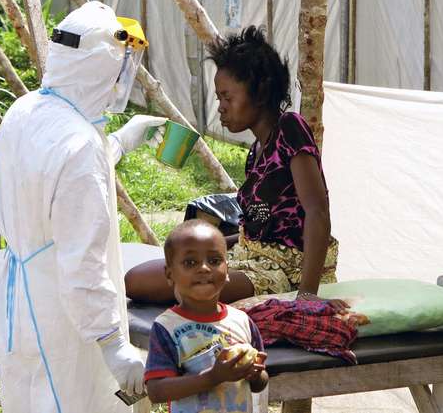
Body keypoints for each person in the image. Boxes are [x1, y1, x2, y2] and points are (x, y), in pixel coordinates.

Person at [0, 1, 167, 412]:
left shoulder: (26, 109)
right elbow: (82, 264)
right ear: (101, 69)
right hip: (65, 317)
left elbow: (45, 177)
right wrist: (113, 346)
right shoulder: (81, 148)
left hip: (20, 296)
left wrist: (119, 141)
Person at [126, 26, 347, 310]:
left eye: (228, 97)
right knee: (137, 279)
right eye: (219, 98)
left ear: (260, 91)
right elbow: (255, 231)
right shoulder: (256, 151)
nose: (221, 107)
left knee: (189, 289)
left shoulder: (290, 129)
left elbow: (317, 211)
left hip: (286, 272)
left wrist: (306, 295)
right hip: (248, 256)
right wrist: (203, 247)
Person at [144, 220, 268, 411]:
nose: (204, 268)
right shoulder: (167, 327)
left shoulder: (242, 320)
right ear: (170, 275)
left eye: (214, 261)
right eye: (190, 262)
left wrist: (255, 374)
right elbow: (157, 390)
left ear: (227, 271)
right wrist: (212, 377)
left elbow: (260, 383)